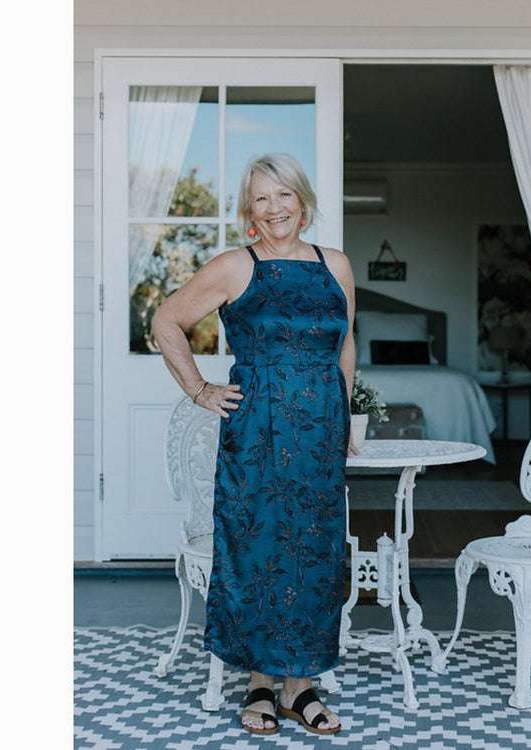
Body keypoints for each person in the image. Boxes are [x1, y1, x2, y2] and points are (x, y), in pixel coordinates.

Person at [152, 153, 357, 736]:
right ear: (249, 211)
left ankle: (300, 686)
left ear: (302, 200)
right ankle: (260, 684)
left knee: (314, 553)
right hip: (257, 433)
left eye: (284, 194)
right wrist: (199, 389)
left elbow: (346, 344)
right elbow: (166, 321)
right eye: (262, 198)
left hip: (319, 434)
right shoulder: (234, 267)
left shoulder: (336, 265)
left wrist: (343, 419)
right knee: (259, 550)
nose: (275, 208)